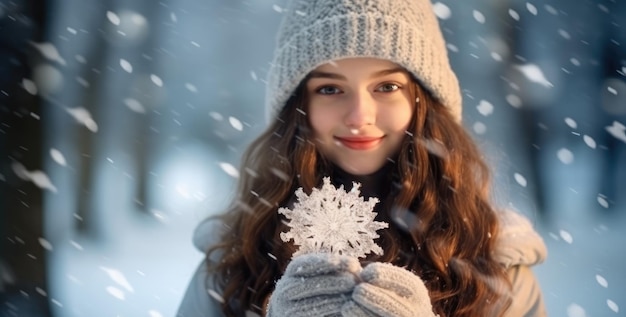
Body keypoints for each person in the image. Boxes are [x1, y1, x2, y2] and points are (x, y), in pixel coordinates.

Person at [176, 0, 548, 316]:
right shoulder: (234, 263)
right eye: (330, 88)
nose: (359, 115)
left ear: (424, 102)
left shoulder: (496, 268)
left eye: (387, 86)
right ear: (297, 108)